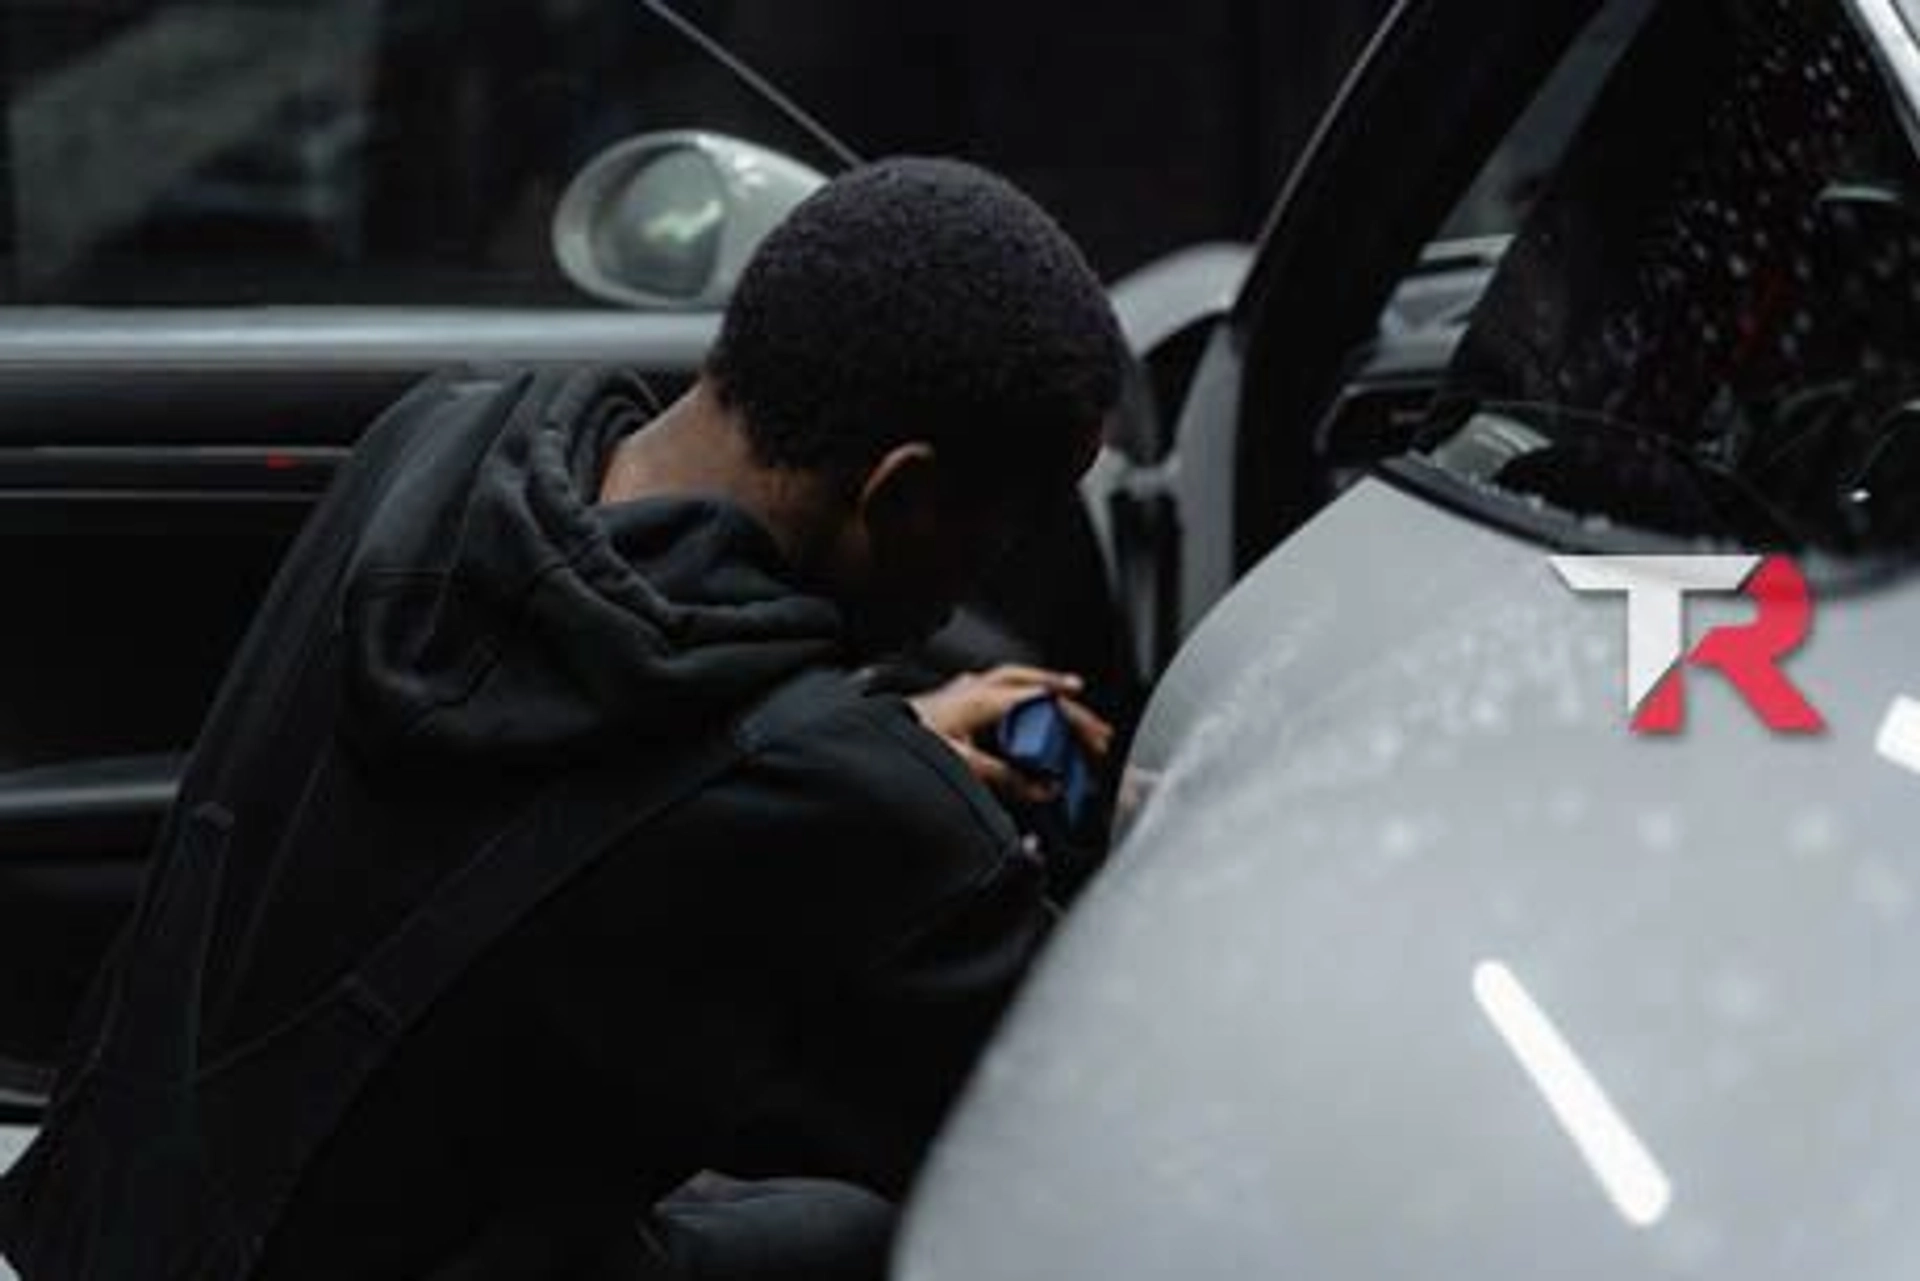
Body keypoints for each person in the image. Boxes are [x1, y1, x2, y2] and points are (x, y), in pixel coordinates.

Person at [0, 158, 1125, 1280]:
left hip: (101, 1235)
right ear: (901, 494)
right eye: (1004, 531)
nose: (981, 578)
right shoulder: (855, 817)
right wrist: (897, 787)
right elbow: (1104, 1135)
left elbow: (550, 786)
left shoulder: (433, 445)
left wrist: (876, 744)